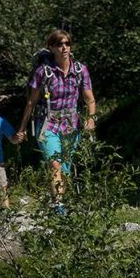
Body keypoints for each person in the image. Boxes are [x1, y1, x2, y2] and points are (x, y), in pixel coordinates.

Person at [16, 29, 95, 202]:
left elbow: (90, 99)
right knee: (55, 165)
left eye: (67, 44)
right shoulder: (43, 72)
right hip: (47, 124)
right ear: (51, 47)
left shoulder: (81, 70)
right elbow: (32, 102)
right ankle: (58, 206)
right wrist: (22, 127)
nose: (64, 48)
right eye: (59, 44)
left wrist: (90, 118)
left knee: (65, 168)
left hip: (71, 125)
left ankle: (62, 204)